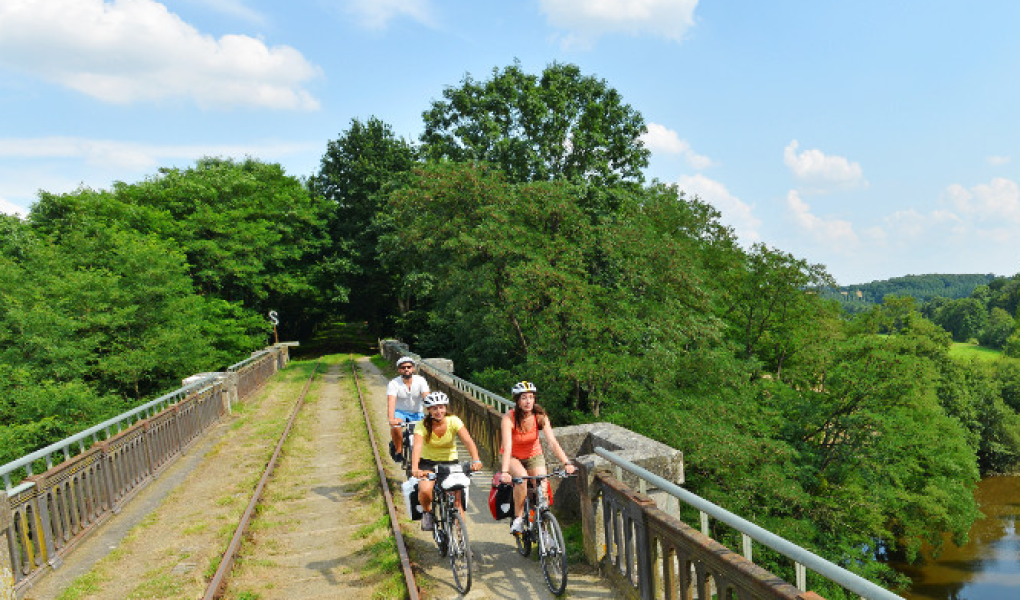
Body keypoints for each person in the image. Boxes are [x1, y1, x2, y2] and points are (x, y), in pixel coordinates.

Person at [499, 381, 576, 534]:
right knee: (522, 479)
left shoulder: (540, 416)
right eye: (524, 398)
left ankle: (544, 530)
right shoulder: (509, 418)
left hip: (534, 455)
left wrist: (566, 462)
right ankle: (518, 519)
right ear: (517, 401)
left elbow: (552, 442)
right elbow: (507, 446)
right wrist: (505, 472)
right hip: (513, 457)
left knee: (542, 487)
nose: (528, 401)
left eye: (531, 397)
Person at [410, 391, 483, 531]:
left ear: (445, 407)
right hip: (428, 463)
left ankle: (462, 538)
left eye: (441, 407)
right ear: (428, 410)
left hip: (450, 463)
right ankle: (427, 513)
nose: (438, 411)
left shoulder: (454, 421)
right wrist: (415, 468)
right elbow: (417, 447)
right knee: (425, 490)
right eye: (434, 408)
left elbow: (468, 441)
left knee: (456, 501)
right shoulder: (422, 425)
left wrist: (476, 460)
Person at [387, 356, 430, 462]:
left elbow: (427, 398)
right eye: (403, 367)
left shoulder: (420, 380)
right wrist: (391, 419)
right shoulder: (394, 383)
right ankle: (399, 450)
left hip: (417, 412)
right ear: (399, 370)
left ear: (413, 368)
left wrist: (432, 412)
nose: (406, 369)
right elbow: (391, 402)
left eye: (409, 367)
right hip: (400, 412)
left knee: (428, 429)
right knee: (396, 427)